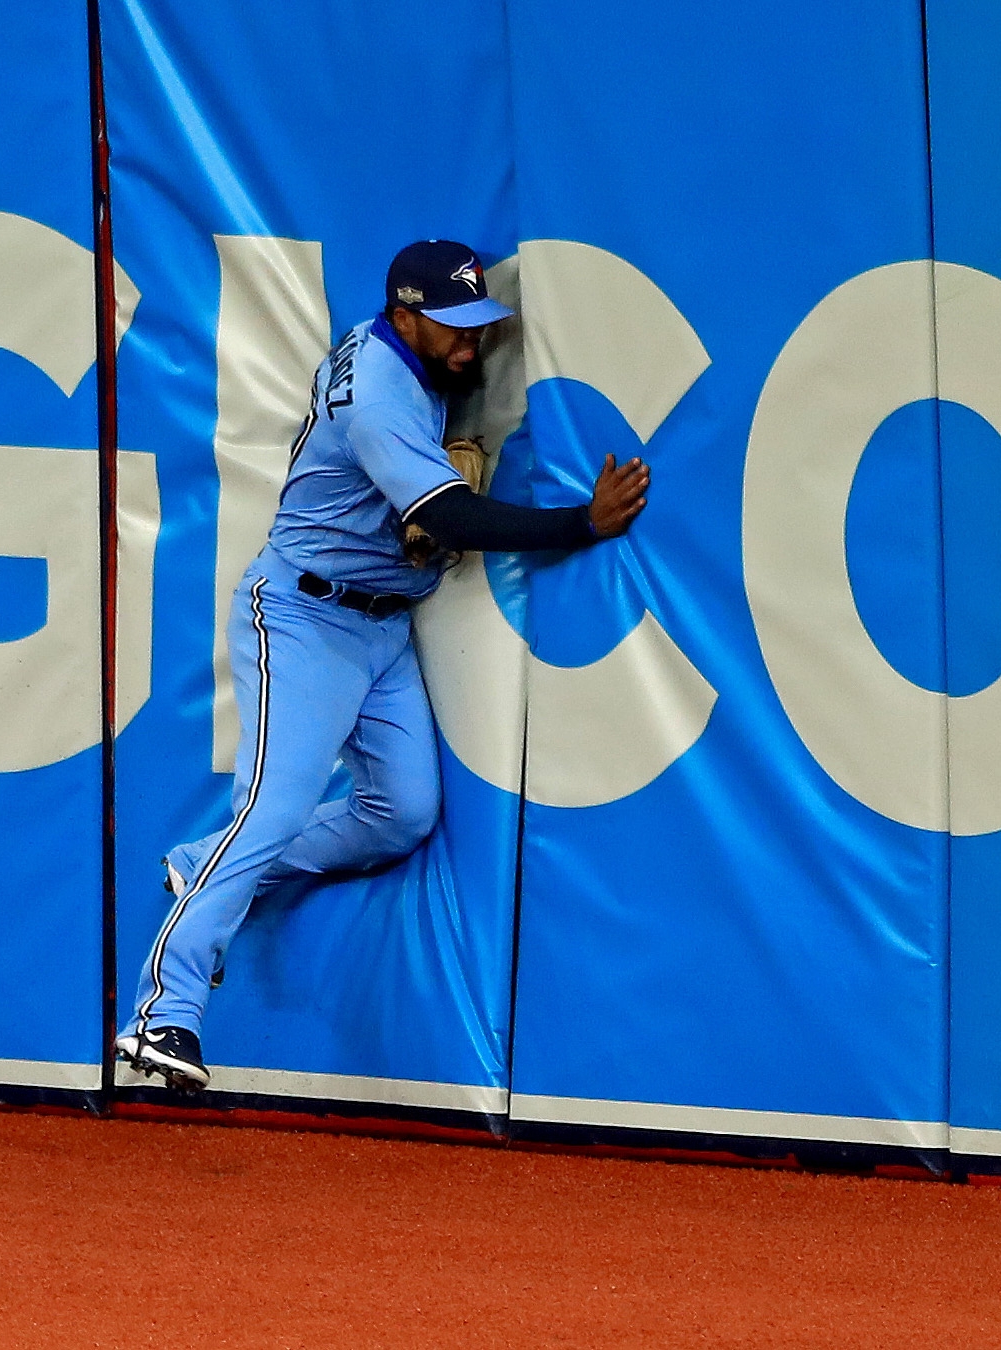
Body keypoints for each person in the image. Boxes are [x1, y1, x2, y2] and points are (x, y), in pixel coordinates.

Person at [116, 239, 650, 1091]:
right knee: (278, 804)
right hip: (300, 616)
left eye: (479, 325)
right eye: (455, 327)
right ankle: (163, 1013)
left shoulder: (400, 354)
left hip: (382, 626)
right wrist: (580, 525)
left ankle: (204, 863)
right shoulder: (380, 391)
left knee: (402, 811)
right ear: (405, 316)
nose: (471, 344)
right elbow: (452, 516)